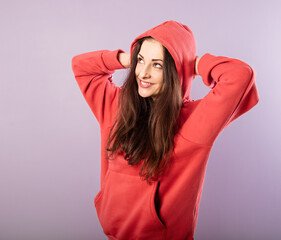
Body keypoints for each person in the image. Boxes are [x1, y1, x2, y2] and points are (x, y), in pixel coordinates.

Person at [71, 20, 259, 240]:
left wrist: (191, 64)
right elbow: (81, 66)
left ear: (175, 70)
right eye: (141, 61)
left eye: (157, 65)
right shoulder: (117, 105)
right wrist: (127, 58)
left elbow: (240, 76)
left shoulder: (194, 120)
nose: (143, 73)